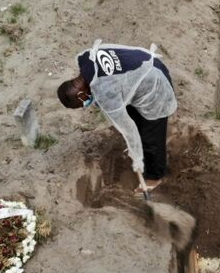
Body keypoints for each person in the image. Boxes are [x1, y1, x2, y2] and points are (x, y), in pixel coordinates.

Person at [57, 40, 177, 191]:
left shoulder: (106, 93)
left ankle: (154, 177)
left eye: (81, 104)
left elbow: (129, 130)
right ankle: (144, 152)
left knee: (150, 136)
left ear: (81, 95)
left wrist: (137, 157)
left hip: (155, 85)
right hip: (145, 64)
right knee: (134, 115)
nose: (84, 106)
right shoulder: (84, 58)